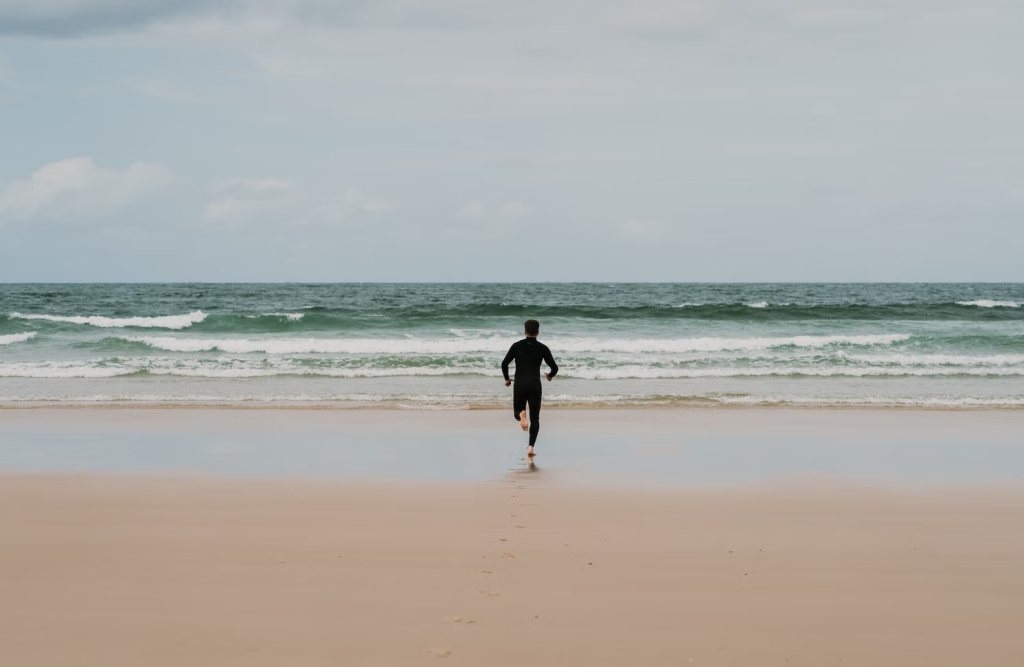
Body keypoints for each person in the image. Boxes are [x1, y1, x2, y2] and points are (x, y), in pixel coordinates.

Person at [501, 319, 558, 457]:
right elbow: (555, 368)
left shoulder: (516, 346)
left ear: (525, 331)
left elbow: (504, 363)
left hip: (520, 383)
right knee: (535, 418)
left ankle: (521, 415)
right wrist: (550, 376)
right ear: (538, 332)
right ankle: (531, 447)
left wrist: (507, 379)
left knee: (517, 411)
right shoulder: (543, 348)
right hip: (535, 385)